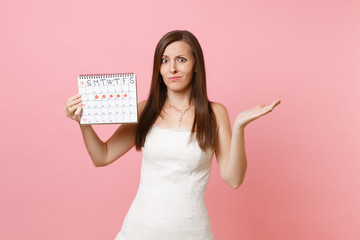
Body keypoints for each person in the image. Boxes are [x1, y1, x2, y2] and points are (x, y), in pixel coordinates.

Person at [64, 30, 281, 239]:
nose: (172, 69)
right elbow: (102, 156)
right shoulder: (144, 110)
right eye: (165, 61)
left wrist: (239, 128)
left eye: (181, 60)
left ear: (196, 66)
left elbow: (233, 179)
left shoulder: (215, 113)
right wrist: (83, 123)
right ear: (158, 68)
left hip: (192, 233)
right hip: (139, 231)